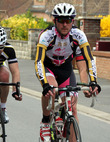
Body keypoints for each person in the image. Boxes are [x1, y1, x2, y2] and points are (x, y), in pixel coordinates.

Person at [34, 3, 101, 142]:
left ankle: (66, 125)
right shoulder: (47, 35)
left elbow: (89, 58)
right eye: (61, 20)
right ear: (54, 21)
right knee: (53, 89)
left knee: (73, 109)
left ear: (73, 21)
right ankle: (46, 121)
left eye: (68, 20)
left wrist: (93, 81)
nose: (65, 24)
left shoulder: (78, 35)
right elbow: (38, 61)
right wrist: (44, 84)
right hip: (49, 67)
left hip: (65, 69)